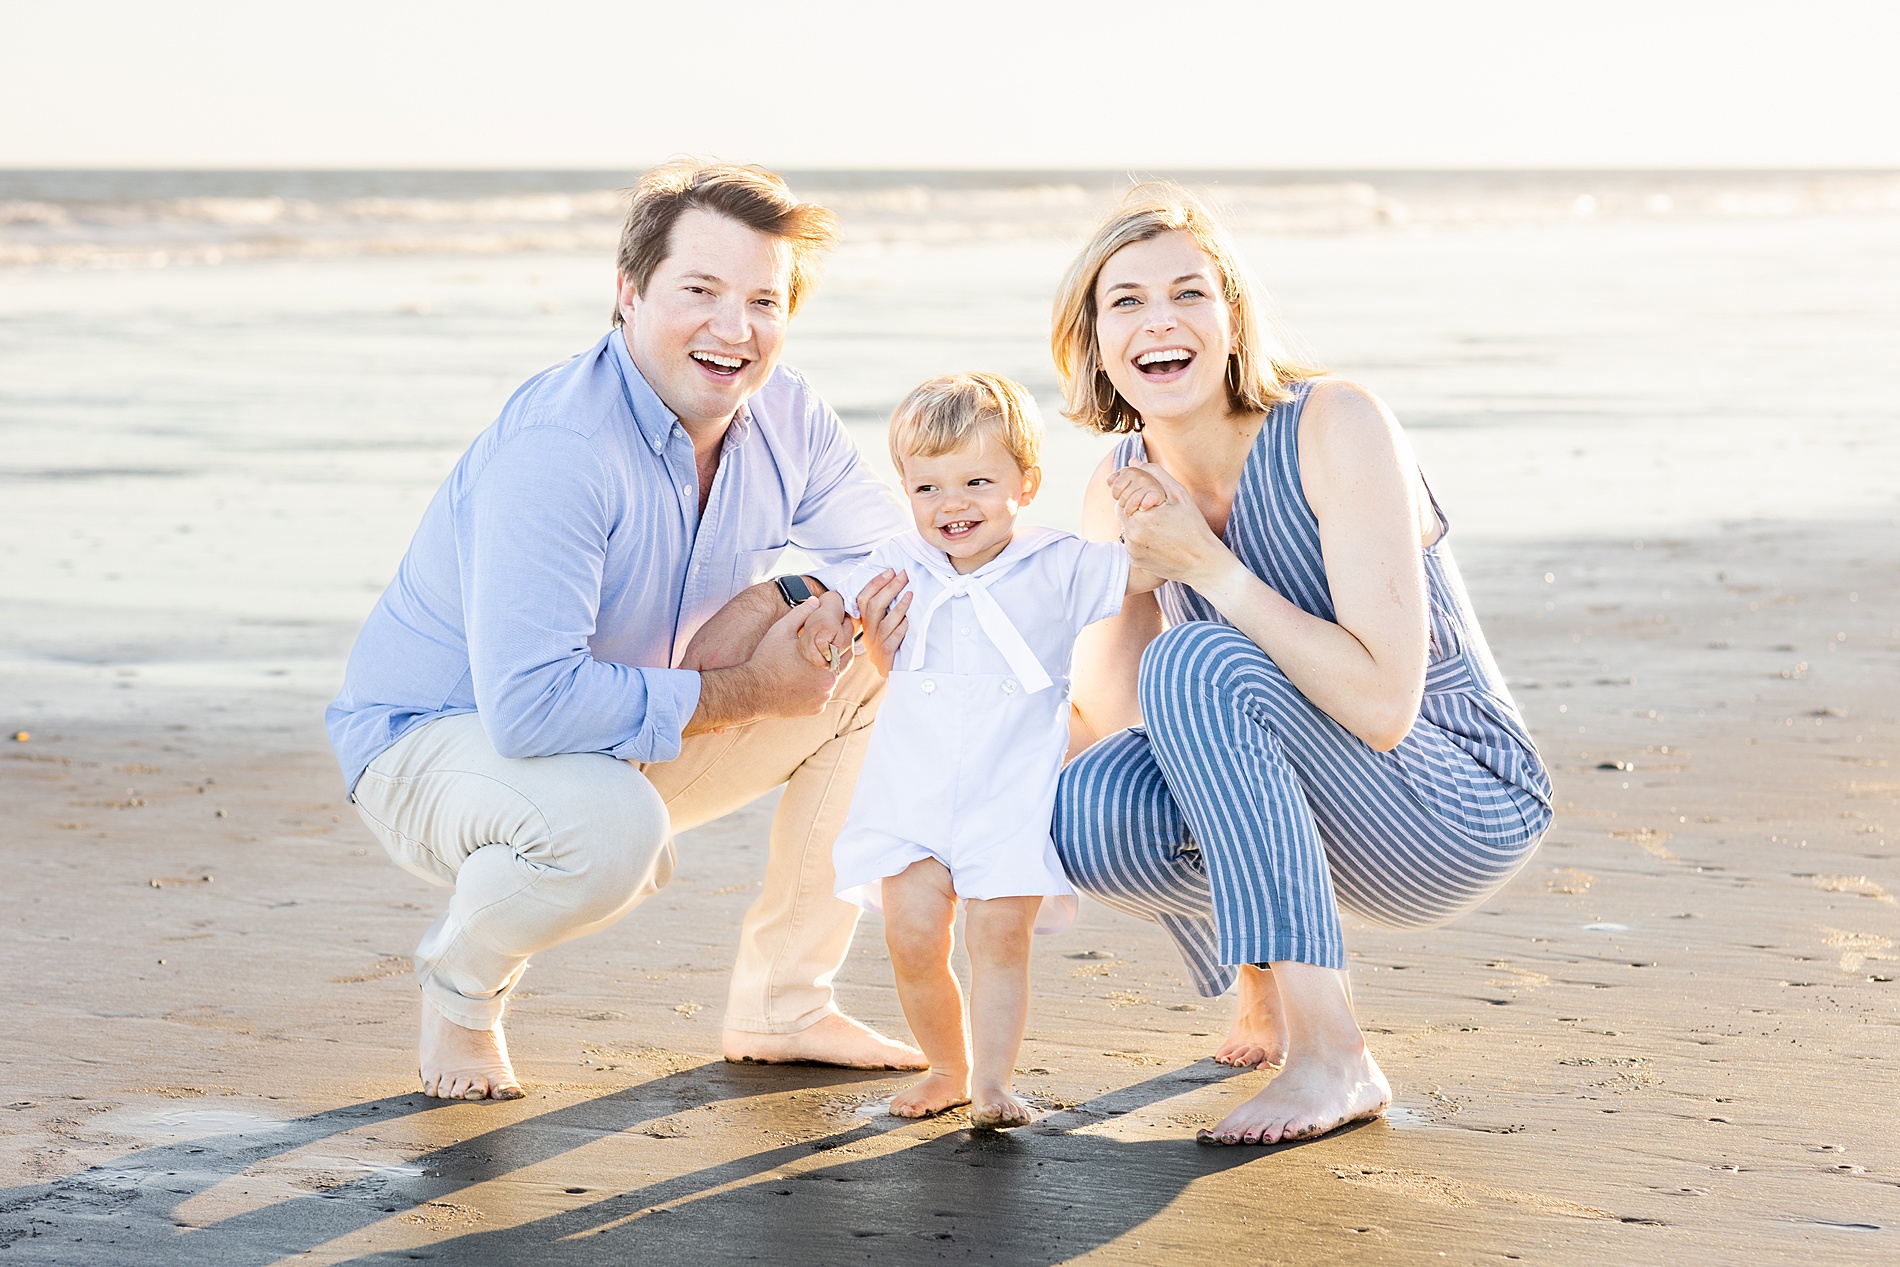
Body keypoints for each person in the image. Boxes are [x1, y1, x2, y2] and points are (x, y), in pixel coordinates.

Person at [325, 160, 928, 1101]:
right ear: (629, 293)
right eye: (701, 291)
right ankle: (460, 992)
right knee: (613, 832)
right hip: (431, 745)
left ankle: (784, 1005)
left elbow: (907, 556)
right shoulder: (561, 450)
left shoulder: (787, 414)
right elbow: (527, 710)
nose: (735, 330)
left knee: (871, 669)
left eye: (764, 300)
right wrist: (750, 688)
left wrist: (788, 596)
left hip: (620, 725)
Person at [1050, 185, 1554, 1145]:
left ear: (1233, 319)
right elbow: (1118, 725)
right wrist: (1127, 581)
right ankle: (1269, 988)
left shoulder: (1335, 421)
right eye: (1126, 301)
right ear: (1097, 341)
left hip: (1455, 800)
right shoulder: (1116, 486)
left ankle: (1334, 1053)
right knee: (1088, 805)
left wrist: (1209, 568)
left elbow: (1382, 704)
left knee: (1198, 660)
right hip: (1331, 816)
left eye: (1189, 293)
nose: (1159, 319)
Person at [803, 374, 1163, 1127]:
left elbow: (1146, 566)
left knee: (1000, 939)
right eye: (927, 486)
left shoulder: (1057, 562)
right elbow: (831, 597)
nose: (951, 503)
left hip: (1010, 799)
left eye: (976, 480)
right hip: (913, 799)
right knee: (911, 938)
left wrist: (1154, 500)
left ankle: (993, 1082)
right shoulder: (900, 560)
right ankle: (947, 1066)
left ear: (1025, 485)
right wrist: (838, 627)